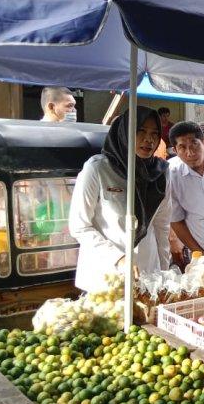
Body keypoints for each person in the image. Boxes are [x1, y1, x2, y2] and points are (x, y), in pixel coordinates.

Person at [69, 107, 170, 292]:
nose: (149, 139)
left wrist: (163, 272)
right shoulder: (98, 169)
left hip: (147, 275)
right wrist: (118, 258)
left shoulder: (161, 173)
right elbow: (79, 226)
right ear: (124, 132)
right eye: (141, 131)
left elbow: (162, 227)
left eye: (155, 134)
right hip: (105, 276)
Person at [168, 121, 204, 264]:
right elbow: (176, 221)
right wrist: (201, 255)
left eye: (194, 144)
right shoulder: (171, 174)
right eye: (182, 147)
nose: (190, 152)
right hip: (203, 251)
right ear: (175, 150)